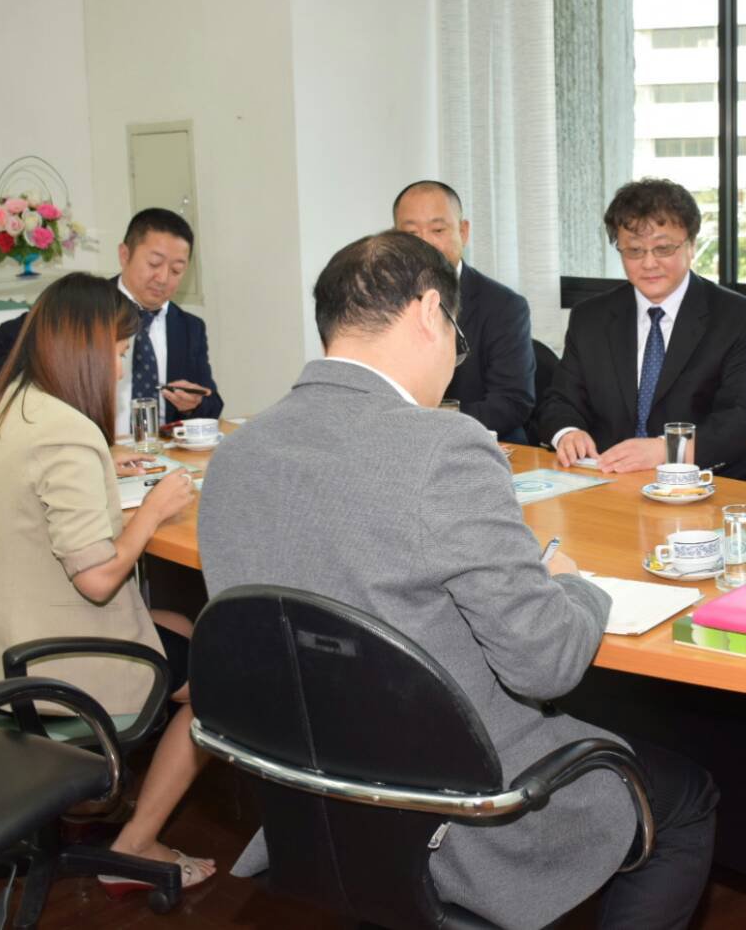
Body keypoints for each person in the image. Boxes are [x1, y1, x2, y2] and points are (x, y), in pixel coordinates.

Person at [198, 231, 718, 930]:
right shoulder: (443, 447)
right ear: (428, 311)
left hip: (310, 796)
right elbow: (546, 663)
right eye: (456, 335)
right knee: (687, 798)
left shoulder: (237, 453)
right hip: (462, 808)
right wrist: (571, 585)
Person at [0, 273, 215, 892]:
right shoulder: (66, 431)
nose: (119, 368)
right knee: (216, 684)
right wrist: (152, 511)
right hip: (45, 658)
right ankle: (137, 844)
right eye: (117, 353)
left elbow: (23, 489)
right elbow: (97, 580)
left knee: (179, 625)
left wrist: (100, 464)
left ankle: (93, 789)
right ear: (84, 350)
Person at [536, 178, 746, 479]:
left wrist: (667, 449)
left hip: (703, 483)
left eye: (663, 249)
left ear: (691, 245)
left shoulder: (740, 318)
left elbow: (745, 418)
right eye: (634, 251)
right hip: (609, 479)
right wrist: (568, 432)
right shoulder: (590, 317)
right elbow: (560, 400)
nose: (648, 263)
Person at [0, 208, 223, 436]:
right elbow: (2, 344)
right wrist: (20, 410)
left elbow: (212, 405)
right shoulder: (86, 304)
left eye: (177, 270)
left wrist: (194, 404)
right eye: (154, 264)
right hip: (89, 446)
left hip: (159, 453)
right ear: (124, 255)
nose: (163, 278)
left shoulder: (189, 327)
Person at [393, 179, 535, 442]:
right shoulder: (380, 303)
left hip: (481, 445)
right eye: (411, 233)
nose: (424, 243)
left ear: (463, 231)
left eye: (437, 230)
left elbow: (512, 402)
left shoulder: (504, 306)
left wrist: (429, 424)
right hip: (401, 443)